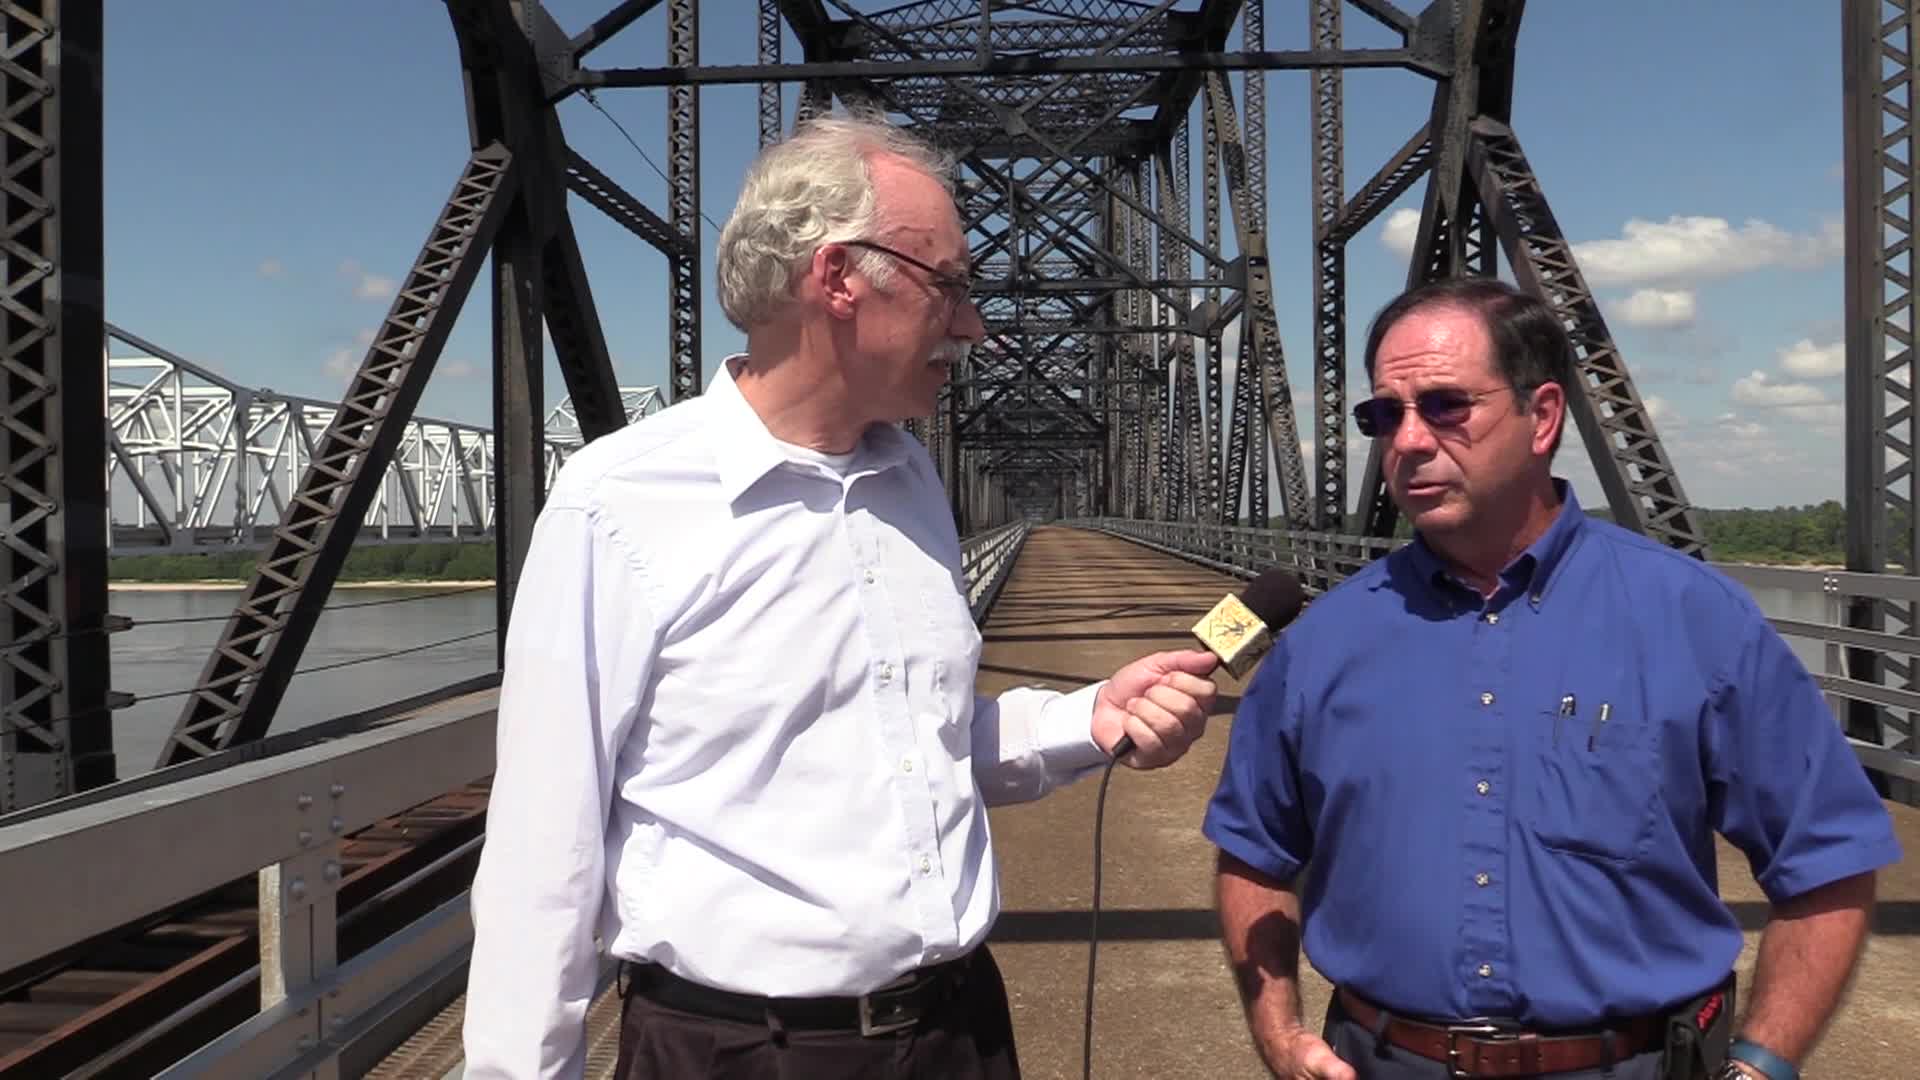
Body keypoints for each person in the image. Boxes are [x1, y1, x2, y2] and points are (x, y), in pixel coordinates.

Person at [460, 113, 1221, 1080]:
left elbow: (914, 746)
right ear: (838, 278)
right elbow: (543, 844)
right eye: (950, 285)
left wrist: (1088, 718)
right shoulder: (621, 502)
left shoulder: (911, 483)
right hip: (743, 1052)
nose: (974, 326)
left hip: (958, 1032)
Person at [1202, 276, 1901, 1080]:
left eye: (1444, 405)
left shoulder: (1695, 618)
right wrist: (1280, 1034)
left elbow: (1829, 855)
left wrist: (1761, 1066)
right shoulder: (1322, 642)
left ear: (1542, 417)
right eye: (1383, 415)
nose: (1409, 440)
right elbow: (1253, 850)